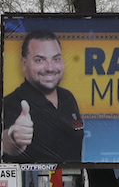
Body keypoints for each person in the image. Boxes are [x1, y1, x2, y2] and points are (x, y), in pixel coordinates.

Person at [2, 30, 84, 163]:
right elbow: (6, 141)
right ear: (24, 64)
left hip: (73, 181)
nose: (50, 68)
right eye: (40, 60)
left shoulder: (68, 98)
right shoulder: (12, 103)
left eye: (56, 59)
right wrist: (13, 135)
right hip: (34, 182)